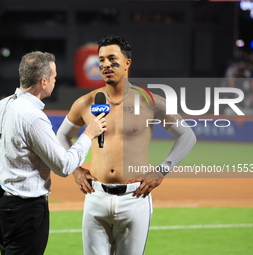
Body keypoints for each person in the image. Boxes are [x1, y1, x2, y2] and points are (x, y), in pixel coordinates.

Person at [57, 35, 196, 255]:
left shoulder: (151, 101)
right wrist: (76, 169)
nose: (105, 65)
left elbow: (187, 136)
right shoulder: (86, 102)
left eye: (112, 58)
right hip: (95, 196)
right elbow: (62, 135)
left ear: (127, 63)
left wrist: (161, 171)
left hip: (135, 198)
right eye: (101, 59)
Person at [0, 51, 106, 255]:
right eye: (54, 77)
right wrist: (89, 134)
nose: (55, 81)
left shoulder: (1, 105)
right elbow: (64, 166)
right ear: (43, 81)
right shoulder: (33, 117)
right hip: (25, 209)